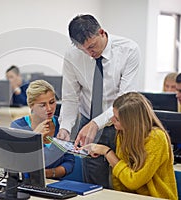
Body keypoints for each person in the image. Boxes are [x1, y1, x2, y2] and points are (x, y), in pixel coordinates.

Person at [57, 14, 140, 188]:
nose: (89, 53)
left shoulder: (129, 50)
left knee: (126, 181)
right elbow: (71, 96)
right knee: (93, 185)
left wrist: (97, 123)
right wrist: (65, 127)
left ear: (102, 33)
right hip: (88, 122)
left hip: (122, 124)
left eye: (92, 46)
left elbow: (125, 100)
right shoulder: (72, 55)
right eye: (83, 49)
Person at [81, 92, 177, 199]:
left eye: (117, 119)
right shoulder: (123, 132)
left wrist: (107, 152)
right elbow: (119, 181)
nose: (112, 121)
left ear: (131, 122)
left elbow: (134, 181)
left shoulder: (156, 138)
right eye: (113, 115)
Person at [11, 80, 75, 178]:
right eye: (42, 105)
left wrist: (49, 173)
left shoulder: (62, 126)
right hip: (27, 183)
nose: (49, 109)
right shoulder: (18, 126)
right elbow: (17, 162)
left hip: (55, 183)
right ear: (31, 106)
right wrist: (35, 137)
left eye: (52, 102)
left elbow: (69, 162)